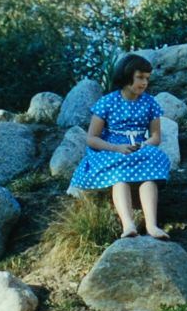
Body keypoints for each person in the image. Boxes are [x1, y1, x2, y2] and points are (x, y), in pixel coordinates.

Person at [69, 52, 171, 240]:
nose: (144, 83)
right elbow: (92, 138)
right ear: (126, 76)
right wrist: (116, 148)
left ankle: (151, 225)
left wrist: (142, 145)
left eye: (147, 78)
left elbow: (155, 137)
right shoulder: (107, 102)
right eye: (140, 77)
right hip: (111, 148)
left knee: (150, 173)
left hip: (139, 146)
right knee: (119, 177)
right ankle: (128, 225)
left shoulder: (150, 103)